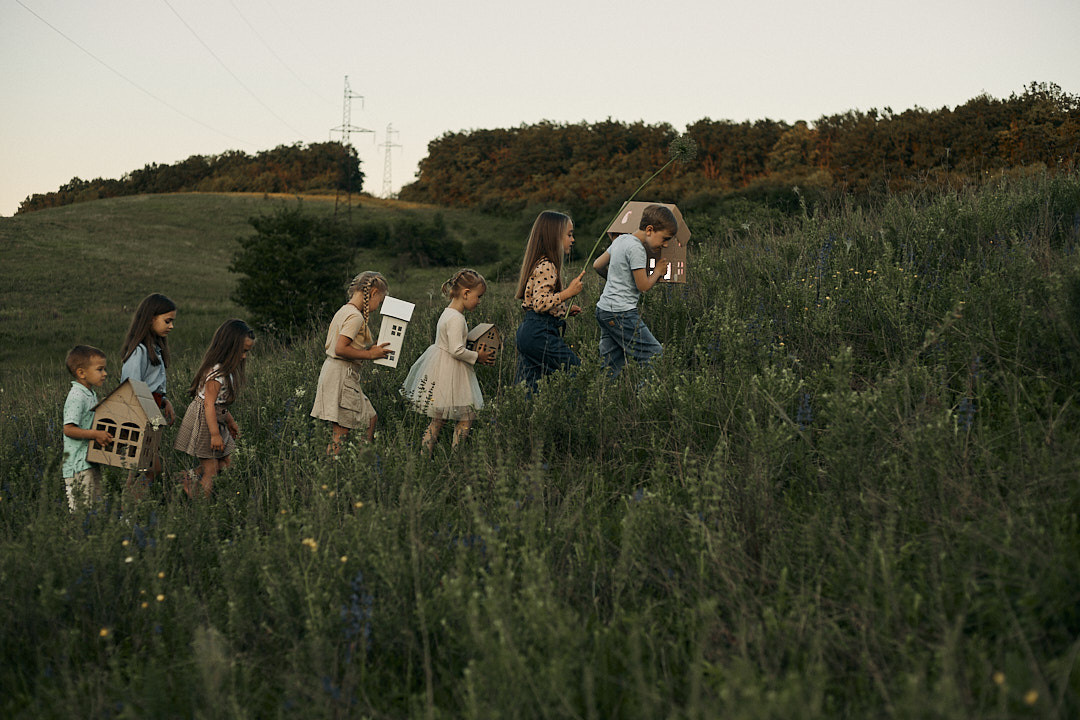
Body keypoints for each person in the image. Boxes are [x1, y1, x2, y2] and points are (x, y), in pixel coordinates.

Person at [400, 269, 494, 454]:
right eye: (478, 296)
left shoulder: (447, 313)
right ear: (466, 293)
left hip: (441, 366)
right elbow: (456, 350)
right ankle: (455, 454)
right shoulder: (456, 318)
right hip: (451, 369)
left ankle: (425, 454)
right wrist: (477, 357)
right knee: (467, 416)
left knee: (439, 418)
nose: (479, 301)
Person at [310, 271, 391, 454]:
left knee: (370, 417)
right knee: (341, 431)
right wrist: (370, 355)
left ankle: (363, 461)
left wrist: (371, 350)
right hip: (341, 376)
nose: (378, 307)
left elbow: (347, 346)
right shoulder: (355, 316)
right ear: (373, 293)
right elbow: (341, 348)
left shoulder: (345, 310)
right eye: (380, 300)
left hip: (338, 374)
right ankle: (335, 471)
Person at [592, 204, 678, 376]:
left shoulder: (621, 240)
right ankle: (645, 397)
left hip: (604, 310)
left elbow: (597, 265)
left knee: (610, 364)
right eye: (665, 238)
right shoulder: (637, 248)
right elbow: (643, 286)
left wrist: (617, 280)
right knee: (654, 354)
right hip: (621, 313)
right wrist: (657, 272)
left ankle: (603, 397)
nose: (666, 245)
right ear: (650, 229)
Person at [173, 319, 255, 498]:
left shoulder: (228, 372)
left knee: (228, 462)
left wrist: (230, 422)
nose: (244, 357)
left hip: (217, 419)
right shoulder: (216, 374)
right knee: (211, 469)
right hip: (206, 422)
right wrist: (215, 434)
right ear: (229, 348)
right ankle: (201, 508)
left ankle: (188, 478)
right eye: (242, 352)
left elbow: (220, 404)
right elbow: (208, 405)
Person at [513, 211, 586, 390]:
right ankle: (573, 415)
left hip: (529, 331)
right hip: (539, 332)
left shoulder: (539, 262)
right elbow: (540, 304)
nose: (573, 239)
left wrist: (563, 310)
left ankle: (513, 418)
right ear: (554, 237)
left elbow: (539, 301)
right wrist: (569, 292)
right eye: (569, 235)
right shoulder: (548, 266)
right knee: (577, 371)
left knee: (527, 388)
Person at [119, 293, 177, 494]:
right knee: (148, 470)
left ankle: (128, 514)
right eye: (167, 321)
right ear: (151, 319)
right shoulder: (140, 352)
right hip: (141, 414)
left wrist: (165, 401)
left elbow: (153, 385)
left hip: (152, 410)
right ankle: (128, 515)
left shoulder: (155, 348)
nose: (171, 326)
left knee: (143, 470)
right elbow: (130, 387)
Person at [61, 345, 113, 511]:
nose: (105, 374)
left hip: (89, 460)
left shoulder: (89, 393)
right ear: (81, 373)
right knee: (81, 511)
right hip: (78, 465)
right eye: (100, 369)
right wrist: (95, 434)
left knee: (95, 508)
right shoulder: (77, 396)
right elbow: (68, 429)